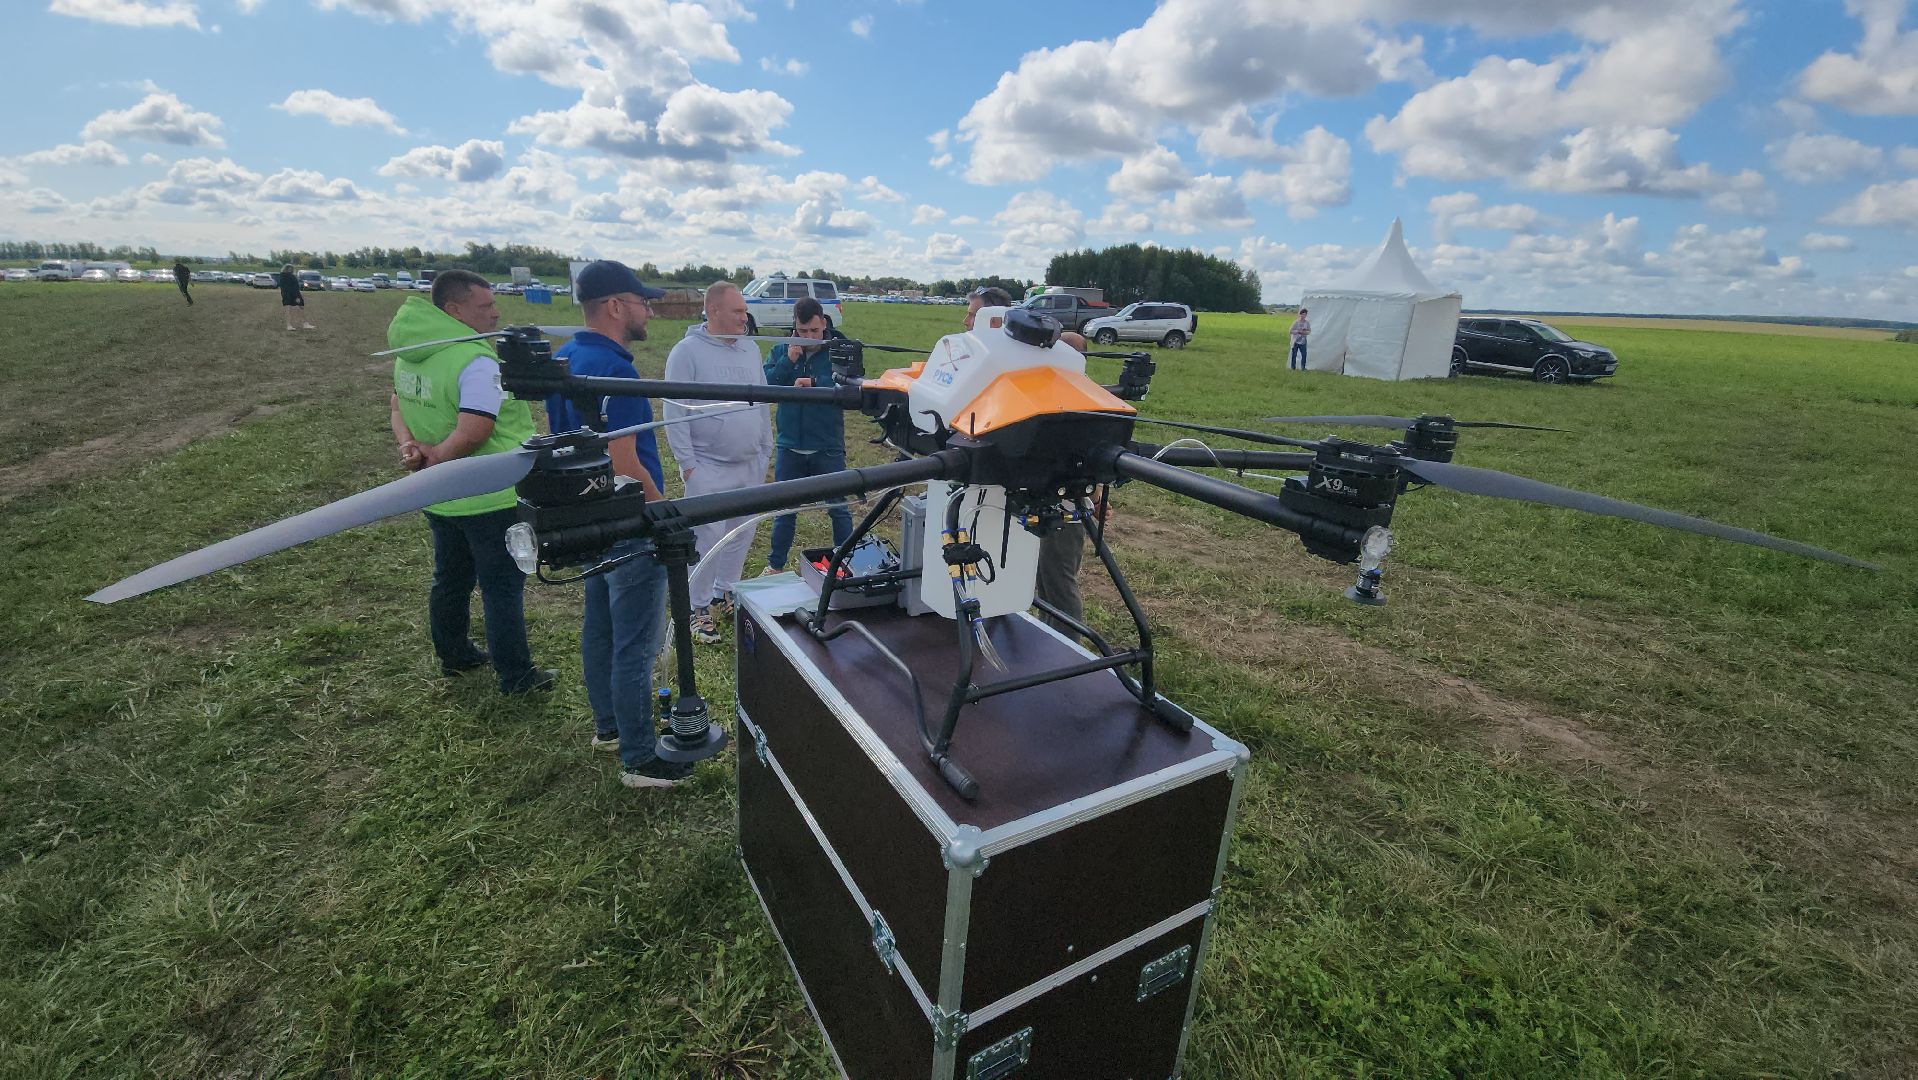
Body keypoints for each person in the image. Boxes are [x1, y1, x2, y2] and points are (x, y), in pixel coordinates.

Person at [540, 260, 691, 788]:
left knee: (600, 627)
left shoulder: (567, 357)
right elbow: (623, 458)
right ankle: (640, 757)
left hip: (589, 515)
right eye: (641, 301)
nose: (648, 310)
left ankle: (608, 727)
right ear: (613, 306)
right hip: (628, 520)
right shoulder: (618, 371)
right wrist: (660, 513)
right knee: (636, 646)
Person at [388, 269, 555, 695]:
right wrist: (439, 458)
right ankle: (516, 676)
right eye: (485, 306)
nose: (496, 312)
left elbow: (397, 404)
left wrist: (413, 450)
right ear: (454, 310)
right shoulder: (473, 357)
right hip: (489, 494)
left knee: (451, 576)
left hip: (441, 493)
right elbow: (476, 427)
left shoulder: (414, 351)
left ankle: (455, 654)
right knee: (501, 586)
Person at [962, 286, 1088, 633]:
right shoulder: (987, 366)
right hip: (1009, 494)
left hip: (1056, 498)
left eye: (973, 314)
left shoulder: (1036, 372)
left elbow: (1083, 442)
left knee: (1055, 580)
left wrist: (1091, 496)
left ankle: (1068, 652)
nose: (965, 321)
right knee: (1027, 574)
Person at [663, 281, 772, 644]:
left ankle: (726, 592)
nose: (745, 317)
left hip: (749, 462)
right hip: (707, 465)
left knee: (742, 531)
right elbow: (673, 409)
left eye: (745, 310)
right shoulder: (686, 352)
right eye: (738, 311)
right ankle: (697, 608)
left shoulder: (750, 351)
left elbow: (763, 399)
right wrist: (688, 463)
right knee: (707, 537)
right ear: (713, 312)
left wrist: (764, 447)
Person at [761, 296, 854, 575]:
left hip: (827, 446)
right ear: (795, 327)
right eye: (802, 332)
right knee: (785, 512)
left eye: (814, 331)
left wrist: (816, 384)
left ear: (824, 323)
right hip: (790, 445)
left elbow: (852, 387)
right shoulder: (781, 351)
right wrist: (788, 362)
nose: (809, 337)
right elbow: (767, 384)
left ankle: (845, 560)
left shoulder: (838, 353)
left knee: (839, 508)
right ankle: (775, 566)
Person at [278, 263, 313, 331]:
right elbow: (295, 287)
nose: (291, 270)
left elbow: (283, 287)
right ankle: (303, 324)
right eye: (290, 269)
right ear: (287, 269)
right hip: (293, 295)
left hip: (286, 294)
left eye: (291, 269)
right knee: (298, 308)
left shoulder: (281, 276)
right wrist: (296, 297)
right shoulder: (291, 277)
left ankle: (291, 325)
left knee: (289, 309)